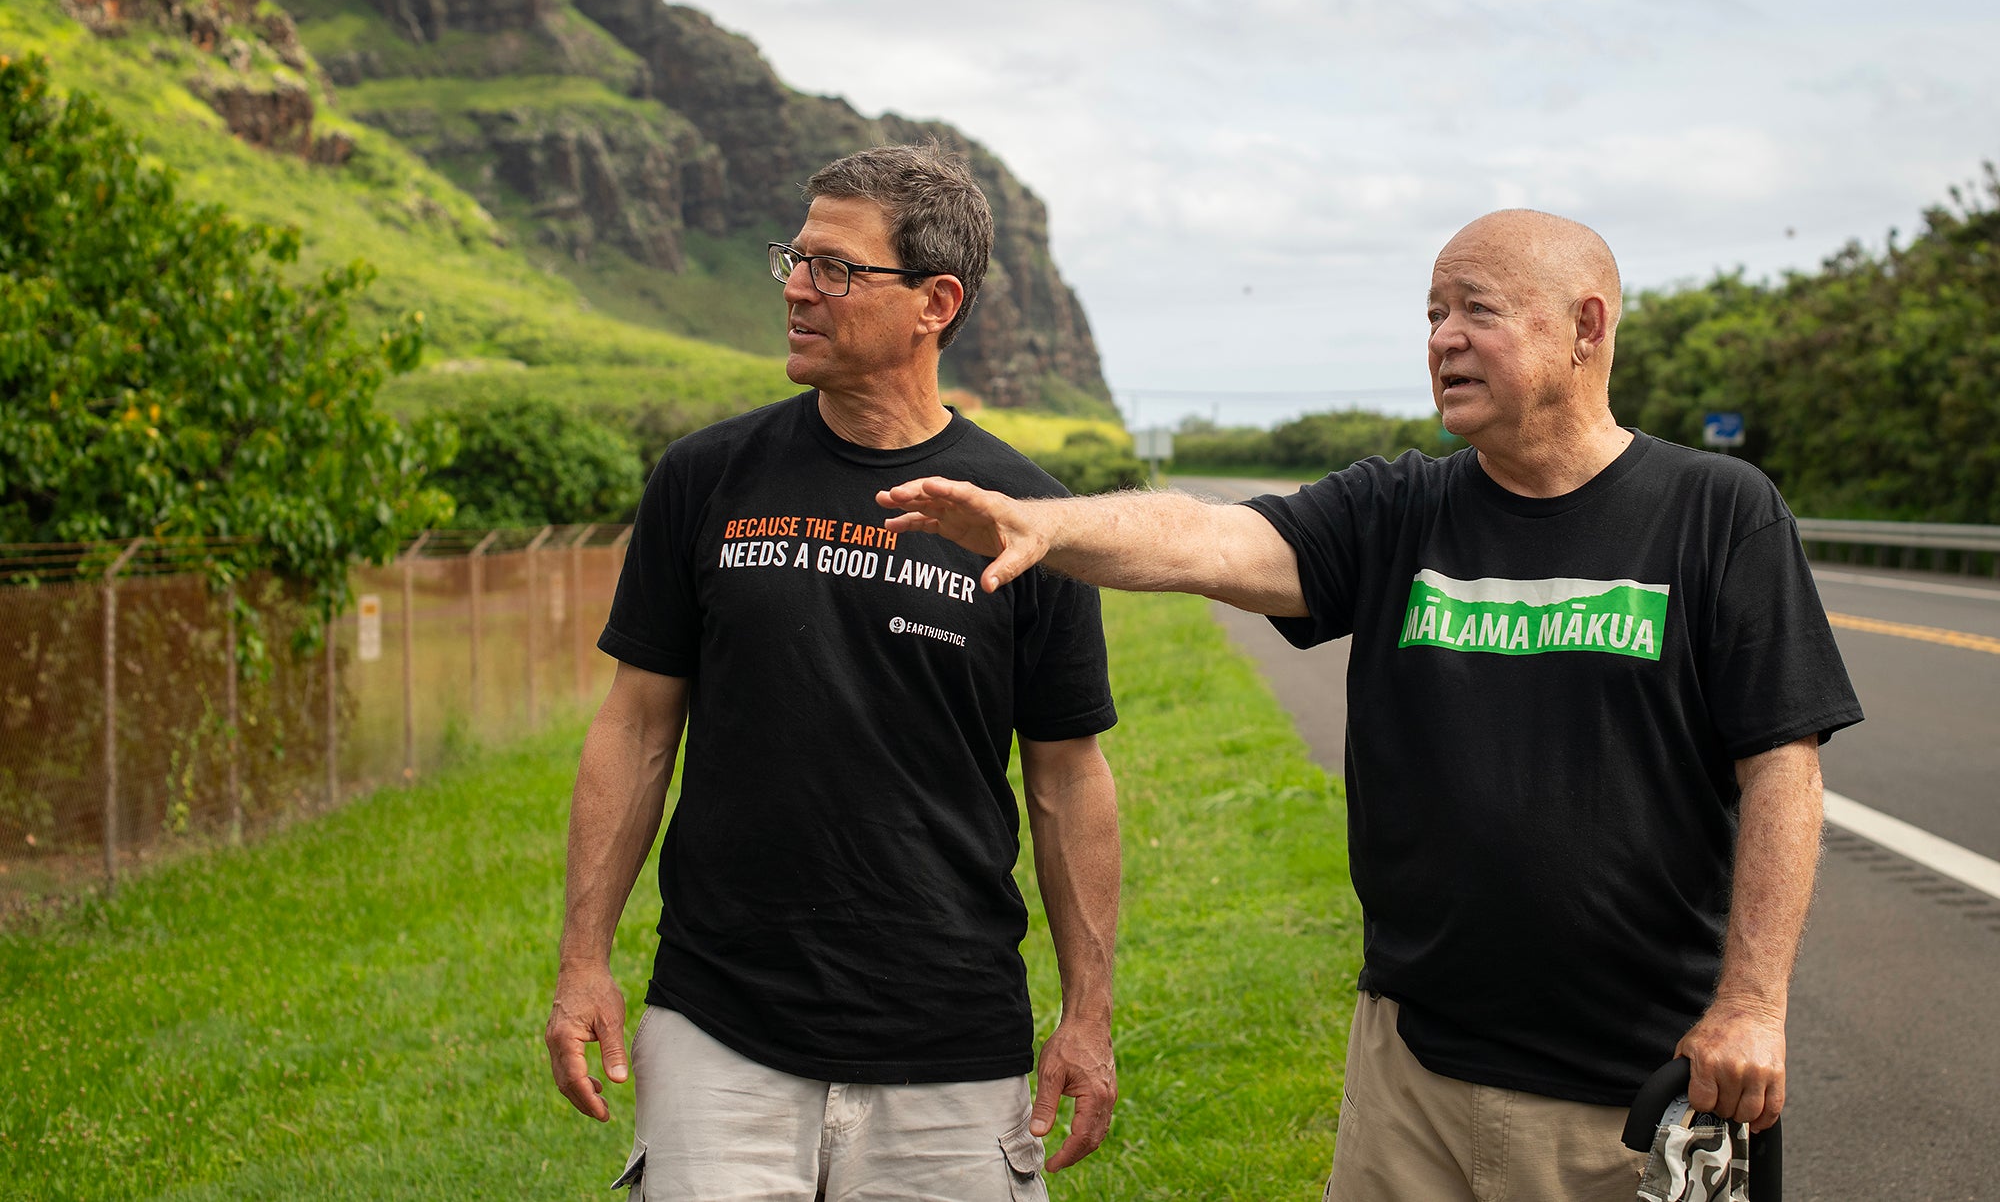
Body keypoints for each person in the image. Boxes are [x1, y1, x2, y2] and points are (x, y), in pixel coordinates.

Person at [879, 209, 1861, 1202]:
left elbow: (1780, 764)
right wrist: (1042, 524)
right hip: (1408, 1078)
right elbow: (1201, 537)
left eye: (1474, 310)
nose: (1440, 337)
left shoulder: (1715, 511)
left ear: (1585, 325)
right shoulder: (1397, 510)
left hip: (1627, 1096)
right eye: (1432, 313)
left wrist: (1749, 1003)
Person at [544, 144, 1121, 1201]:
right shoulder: (704, 478)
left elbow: (1066, 775)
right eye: (794, 259)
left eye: (834, 268)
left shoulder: (1024, 517)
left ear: (934, 303)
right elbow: (634, 726)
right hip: (719, 1027)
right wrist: (583, 956)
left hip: (948, 1041)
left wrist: (1087, 1011)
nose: (797, 289)